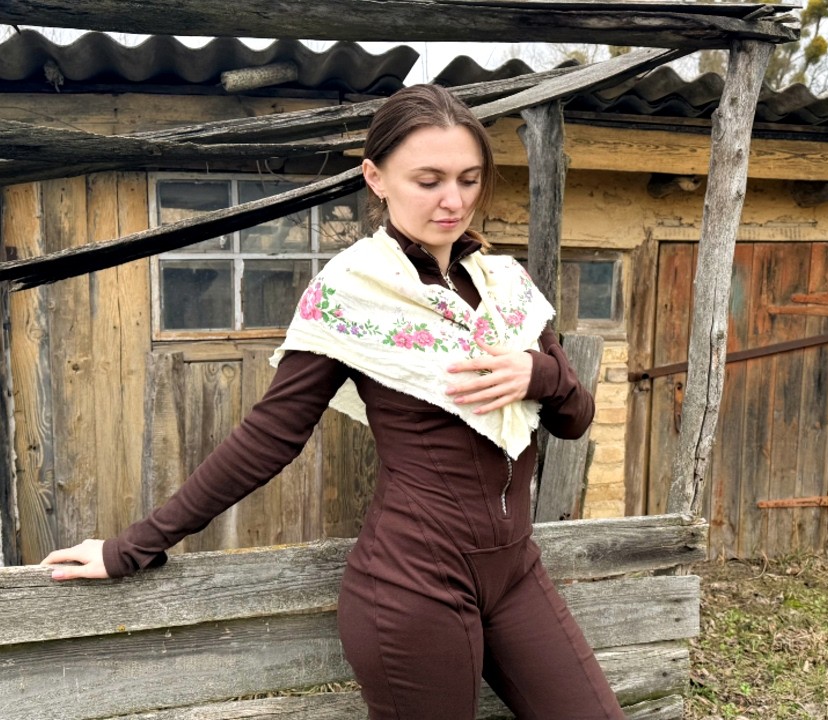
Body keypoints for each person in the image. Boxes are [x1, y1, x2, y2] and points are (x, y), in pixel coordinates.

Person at [40, 84, 627, 720]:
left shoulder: (507, 287)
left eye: (468, 178)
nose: (452, 200)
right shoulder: (350, 294)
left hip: (516, 574)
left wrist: (538, 372)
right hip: (413, 586)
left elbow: (575, 418)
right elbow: (269, 437)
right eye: (427, 180)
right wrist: (131, 546)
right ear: (375, 177)